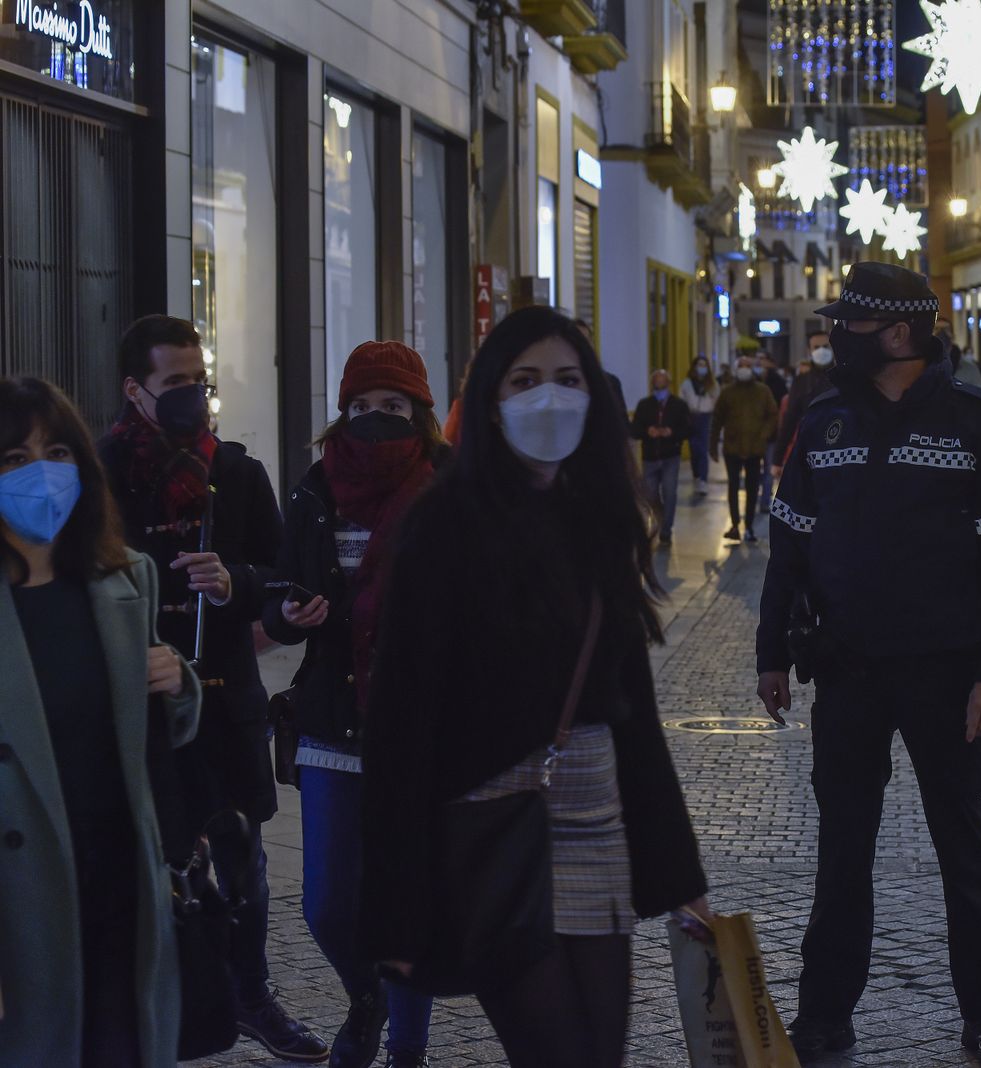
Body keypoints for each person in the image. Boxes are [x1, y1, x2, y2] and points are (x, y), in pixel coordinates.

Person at [358, 307, 709, 1068]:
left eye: (566, 379)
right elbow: (399, 722)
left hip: (597, 823)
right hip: (494, 828)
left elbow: (633, 710)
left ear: (593, 397)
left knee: (597, 1054)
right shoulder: (442, 523)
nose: (547, 398)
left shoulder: (600, 520)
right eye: (524, 380)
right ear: (490, 400)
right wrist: (396, 908)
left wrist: (678, 874)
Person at [755, 263, 981, 1065]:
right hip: (847, 673)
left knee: (964, 849)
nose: (831, 337)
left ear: (898, 333)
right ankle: (824, 1020)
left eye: (847, 325)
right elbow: (789, 546)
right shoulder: (824, 420)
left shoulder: (979, 422)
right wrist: (770, 652)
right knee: (843, 851)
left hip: (950, 678)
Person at [96, 315, 328, 1061]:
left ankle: (251, 996)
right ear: (136, 391)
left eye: (200, 381)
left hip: (226, 702)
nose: (193, 396)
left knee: (246, 866)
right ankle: (158, 1005)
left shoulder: (238, 472)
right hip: (136, 710)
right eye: (175, 385)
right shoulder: (100, 474)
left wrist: (237, 584)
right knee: (148, 863)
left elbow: (277, 571)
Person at [0, 376, 202, 1068]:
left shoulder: (126, 579)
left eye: (56, 452)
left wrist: (179, 682)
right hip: (20, 905)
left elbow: (155, 734)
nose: (41, 475)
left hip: (120, 883)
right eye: (13, 460)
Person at [262, 342, 444, 1068]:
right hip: (332, 715)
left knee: (407, 899)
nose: (375, 420)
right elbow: (281, 591)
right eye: (361, 407)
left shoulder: (450, 485)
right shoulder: (314, 489)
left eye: (392, 407)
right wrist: (287, 615)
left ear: (419, 413)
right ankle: (365, 995)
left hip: (420, 724)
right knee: (327, 902)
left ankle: (407, 1047)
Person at [710, 356, 778, 544]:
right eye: (741, 366)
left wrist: (764, 435)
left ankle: (749, 526)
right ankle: (734, 524)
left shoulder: (763, 391)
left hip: (755, 448)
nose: (745, 369)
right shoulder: (727, 393)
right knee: (733, 486)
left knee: (752, 487)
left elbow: (773, 415)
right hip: (732, 447)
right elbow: (717, 419)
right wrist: (713, 445)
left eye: (748, 366)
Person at [631, 368, 692, 547]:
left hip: (670, 456)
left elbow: (688, 429)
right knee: (650, 494)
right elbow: (634, 429)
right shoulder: (644, 405)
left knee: (669, 491)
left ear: (669, 385)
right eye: (657, 385)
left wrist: (671, 433)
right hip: (650, 456)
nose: (660, 388)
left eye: (663, 385)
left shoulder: (679, 405)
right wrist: (647, 431)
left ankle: (666, 530)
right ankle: (658, 520)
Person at [775, 344, 834, 477]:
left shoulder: (845, 378)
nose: (821, 350)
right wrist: (778, 458)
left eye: (825, 346)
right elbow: (789, 419)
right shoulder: (802, 382)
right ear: (809, 351)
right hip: (809, 449)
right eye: (817, 347)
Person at [681, 355, 719, 497]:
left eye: (704, 365)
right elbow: (682, 399)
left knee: (702, 449)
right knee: (694, 449)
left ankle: (703, 479)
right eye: (699, 364)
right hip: (691, 417)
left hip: (705, 417)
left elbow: (716, 399)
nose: (701, 367)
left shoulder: (712, 384)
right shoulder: (687, 383)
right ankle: (697, 476)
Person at [756, 352, 789, 514]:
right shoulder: (753, 380)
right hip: (754, 434)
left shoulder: (776, 381)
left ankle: (764, 501)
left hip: (771, 433)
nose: (759, 363)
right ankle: (759, 499)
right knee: (758, 469)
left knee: (768, 468)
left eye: (762, 360)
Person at [574, 318, 627, 413]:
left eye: (586, 341)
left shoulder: (611, 383)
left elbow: (622, 424)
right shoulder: (561, 384)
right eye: (577, 340)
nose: (582, 346)